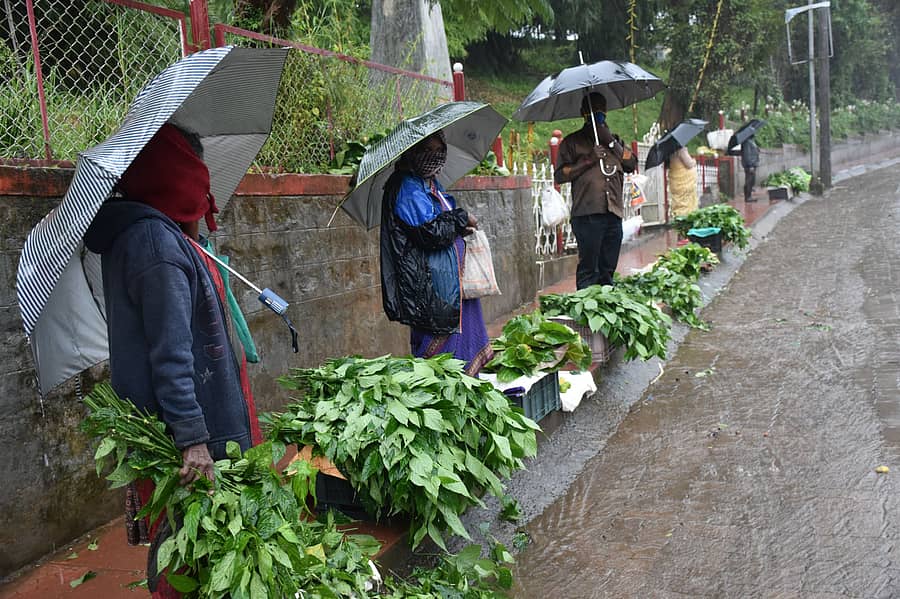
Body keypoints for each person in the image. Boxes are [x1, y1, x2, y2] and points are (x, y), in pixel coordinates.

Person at [84, 123, 262, 599]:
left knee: (195, 545)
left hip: (180, 425)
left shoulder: (151, 233)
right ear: (174, 174)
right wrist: (193, 441)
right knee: (193, 548)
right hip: (184, 437)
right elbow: (170, 354)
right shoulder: (155, 245)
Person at [379, 131, 493, 376]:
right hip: (432, 290)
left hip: (453, 286)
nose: (435, 157)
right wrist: (461, 217)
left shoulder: (431, 183)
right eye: (427, 151)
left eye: (440, 151)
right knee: (441, 363)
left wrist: (459, 223)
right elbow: (431, 232)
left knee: (464, 350)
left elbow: (445, 220)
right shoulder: (406, 187)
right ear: (412, 153)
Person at [554, 92, 638, 289]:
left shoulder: (615, 141)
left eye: (601, 109)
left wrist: (610, 142)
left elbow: (630, 163)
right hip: (587, 215)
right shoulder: (572, 142)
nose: (598, 114)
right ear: (583, 113)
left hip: (613, 213)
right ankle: (585, 312)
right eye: (593, 110)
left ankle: (605, 309)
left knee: (607, 269)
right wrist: (588, 160)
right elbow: (561, 175)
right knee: (589, 269)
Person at [668, 145, 699, 217]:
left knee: (678, 201)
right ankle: (686, 219)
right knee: (686, 202)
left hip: (675, 181)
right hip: (685, 181)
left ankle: (677, 218)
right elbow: (689, 164)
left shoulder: (669, 152)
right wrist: (694, 161)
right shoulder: (681, 150)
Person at [730, 135, 760, 202]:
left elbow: (753, 152)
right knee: (749, 181)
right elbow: (747, 155)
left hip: (753, 164)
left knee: (751, 180)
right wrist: (750, 165)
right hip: (750, 165)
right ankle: (748, 197)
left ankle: (749, 196)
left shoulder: (751, 141)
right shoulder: (746, 142)